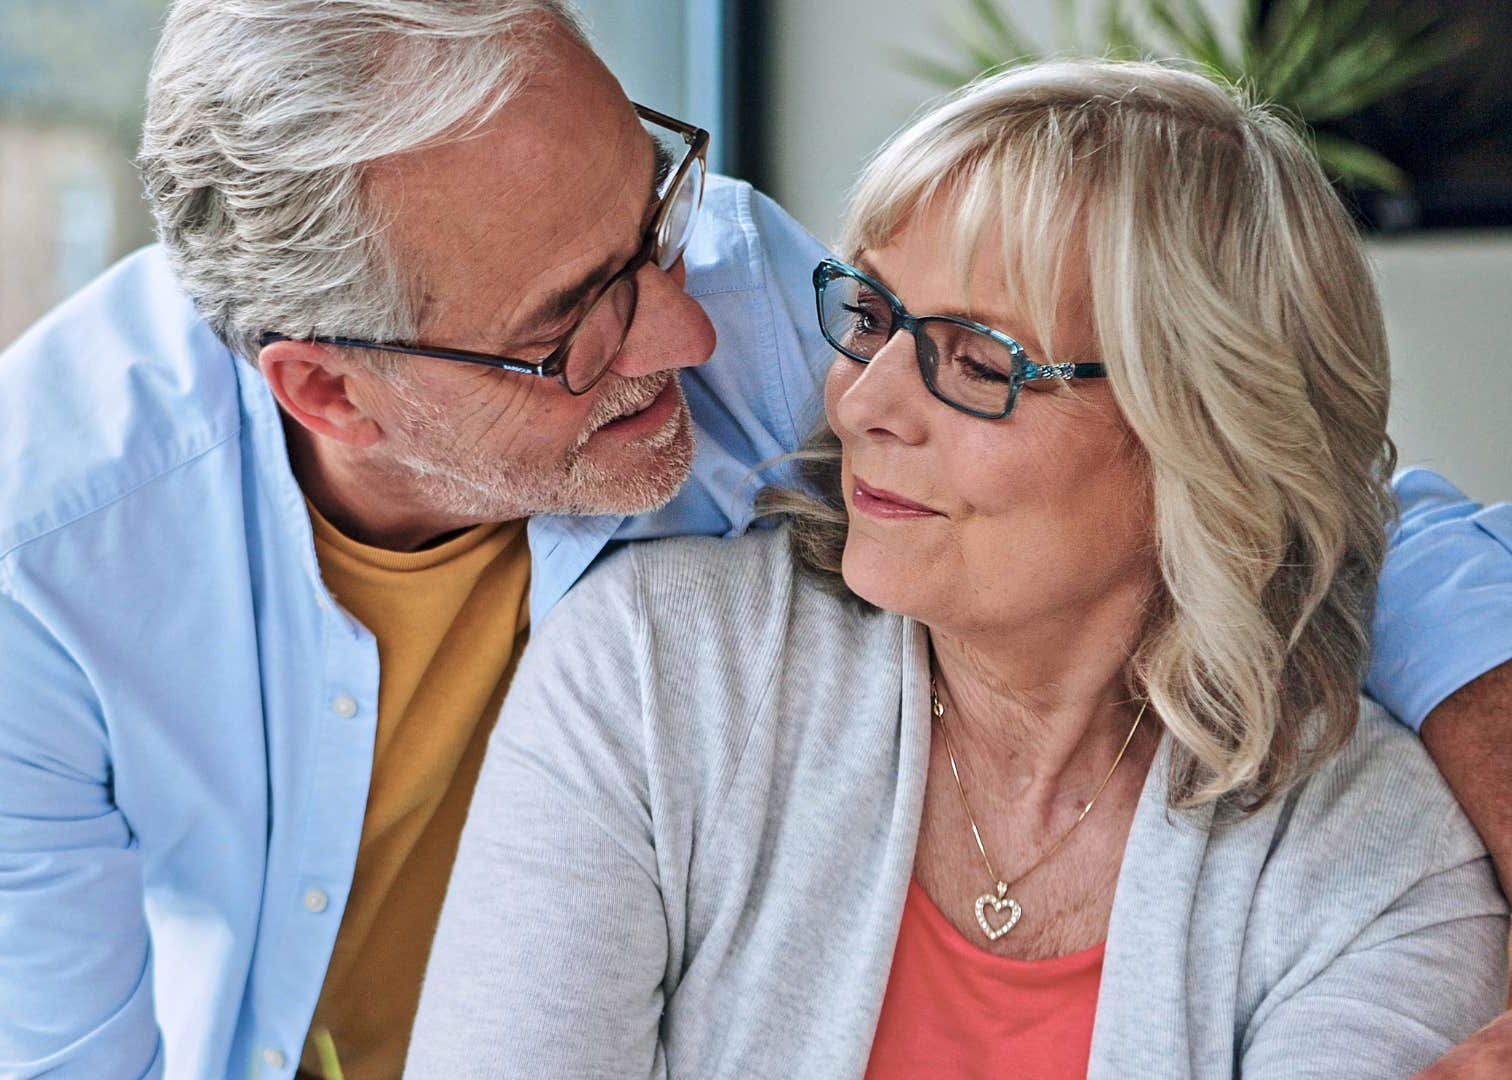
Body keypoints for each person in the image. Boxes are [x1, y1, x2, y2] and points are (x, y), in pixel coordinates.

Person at [0, 2, 1512, 1076]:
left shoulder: (741, 301)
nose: (690, 331)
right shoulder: (20, 555)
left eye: (652, 218)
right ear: (331, 390)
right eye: (577, 319)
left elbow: (1263, 473)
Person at [405, 60, 1510, 1079]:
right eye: (872, 317)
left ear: (1209, 430)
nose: (866, 404)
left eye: (981, 361)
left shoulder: (1380, 859)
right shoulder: (655, 675)